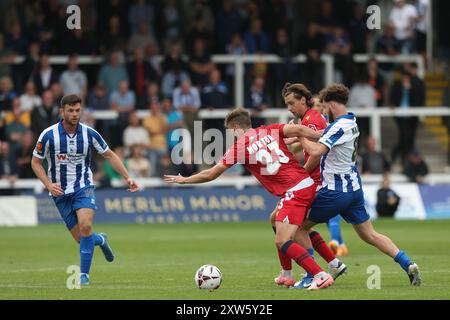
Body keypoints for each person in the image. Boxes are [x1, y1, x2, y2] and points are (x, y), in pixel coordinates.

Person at [165, 107, 343, 290]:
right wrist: (319, 133)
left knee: (283, 240)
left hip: (295, 191)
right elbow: (296, 129)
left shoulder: (239, 148)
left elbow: (211, 174)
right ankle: (287, 274)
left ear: (236, 127)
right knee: (275, 219)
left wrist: (185, 180)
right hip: (306, 184)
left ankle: (319, 275)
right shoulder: (268, 130)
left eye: (231, 131)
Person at [298, 84, 421, 286]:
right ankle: (408, 263)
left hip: (336, 191)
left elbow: (317, 151)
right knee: (370, 235)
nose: (322, 110)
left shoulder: (339, 126)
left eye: (324, 106)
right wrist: (297, 133)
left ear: (330, 104)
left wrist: (301, 136)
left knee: (299, 227)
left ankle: (313, 274)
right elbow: (324, 134)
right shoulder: (351, 121)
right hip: (354, 189)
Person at [31, 94, 139, 286]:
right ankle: (101, 240)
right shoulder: (48, 135)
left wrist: (127, 177)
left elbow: (109, 155)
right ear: (62, 111)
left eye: (77, 110)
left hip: (83, 187)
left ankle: (84, 276)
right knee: (82, 239)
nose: (74, 114)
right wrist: (48, 184)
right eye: (70, 110)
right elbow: (35, 162)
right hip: (60, 192)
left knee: (86, 225)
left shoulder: (90, 133)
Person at [270, 83, 347, 289]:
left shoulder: (311, 120)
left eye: (291, 103)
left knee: (289, 226)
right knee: (294, 225)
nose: (289, 108)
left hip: (313, 182)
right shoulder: (309, 119)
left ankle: (308, 273)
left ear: (303, 100)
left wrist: (300, 176)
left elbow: (314, 152)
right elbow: (304, 140)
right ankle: (333, 263)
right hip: (316, 180)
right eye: (287, 104)